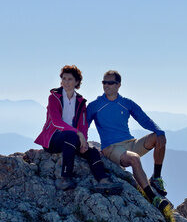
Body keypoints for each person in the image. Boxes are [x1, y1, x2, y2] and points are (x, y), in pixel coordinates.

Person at [86, 70, 170, 210]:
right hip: (111, 147)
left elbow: (144, 119)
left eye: (110, 83)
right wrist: (82, 144)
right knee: (135, 159)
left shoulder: (126, 103)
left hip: (130, 143)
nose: (106, 85)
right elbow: (84, 125)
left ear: (118, 85)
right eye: (104, 82)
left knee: (159, 138)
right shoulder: (95, 105)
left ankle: (156, 177)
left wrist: (159, 131)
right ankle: (152, 197)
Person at [35, 65, 123, 193]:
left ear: (77, 82)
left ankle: (103, 180)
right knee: (71, 136)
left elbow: (83, 124)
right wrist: (77, 133)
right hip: (53, 139)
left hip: (71, 140)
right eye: (64, 79)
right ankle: (65, 179)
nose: (66, 82)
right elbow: (56, 121)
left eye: (70, 79)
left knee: (92, 151)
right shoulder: (54, 97)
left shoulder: (81, 101)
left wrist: (84, 142)